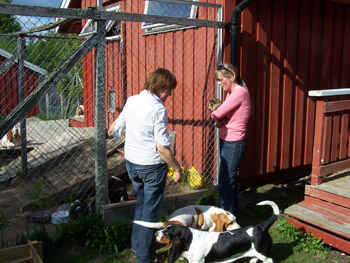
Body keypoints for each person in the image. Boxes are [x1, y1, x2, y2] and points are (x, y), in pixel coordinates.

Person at [108, 68, 183, 263]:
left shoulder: (132, 100)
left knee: (142, 205)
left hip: (132, 163)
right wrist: (177, 167)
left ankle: (137, 245)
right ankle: (145, 258)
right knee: (150, 212)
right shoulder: (158, 109)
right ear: (159, 87)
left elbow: (114, 129)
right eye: (168, 90)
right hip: (151, 167)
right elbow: (162, 148)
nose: (169, 94)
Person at [210, 63, 251, 222]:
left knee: (226, 184)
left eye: (221, 80)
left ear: (231, 77)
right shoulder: (231, 93)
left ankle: (227, 222)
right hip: (227, 141)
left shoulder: (239, 92)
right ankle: (232, 219)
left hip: (233, 144)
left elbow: (217, 114)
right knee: (228, 183)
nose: (219, 83)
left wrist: (215, 112)